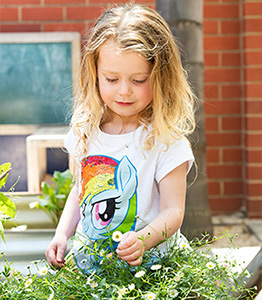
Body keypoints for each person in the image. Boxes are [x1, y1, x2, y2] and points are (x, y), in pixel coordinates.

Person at [45, 3, 195, 272]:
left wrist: (143, 240)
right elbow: (81, 191)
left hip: (150, 270)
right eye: (112, 79)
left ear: (160, 77)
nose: (124, 91)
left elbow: (174, 211)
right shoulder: (85, 130)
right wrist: (62, 234)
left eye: (138, 80)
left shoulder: (165, 139)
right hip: (92, 268)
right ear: (94, 73)